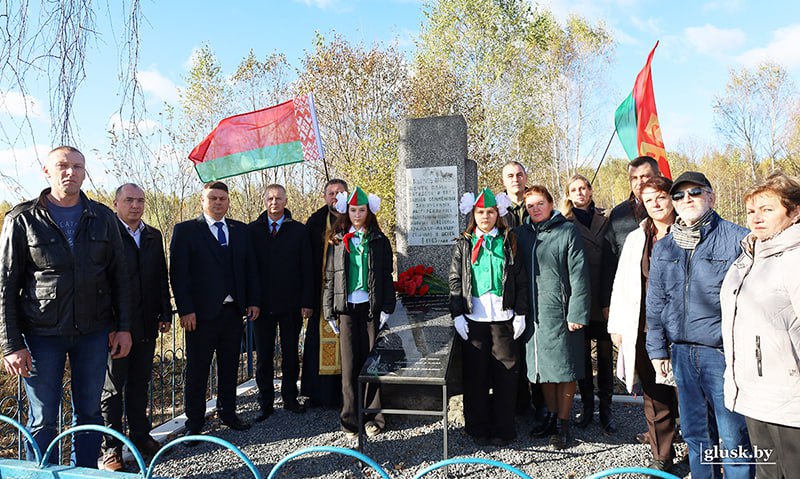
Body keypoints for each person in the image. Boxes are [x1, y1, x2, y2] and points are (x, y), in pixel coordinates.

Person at [0, 146, 132, 467]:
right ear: (47, 171)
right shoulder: (22, 220)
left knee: (89, 414)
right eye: (62, 165)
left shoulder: (102, 217)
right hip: (41, 335)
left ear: (85, 172)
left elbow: (121, 278)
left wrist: (123, 327)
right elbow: (5, 286)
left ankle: (83, 473)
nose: (70, 172)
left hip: (93, 332)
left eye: (77, 166)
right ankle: (42, 474)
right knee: (43, 418)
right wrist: (11, 344)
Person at [646, 171, 754, 478]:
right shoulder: (665, 247)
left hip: (721, 354)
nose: (686, 200)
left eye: (694, 193)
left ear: (711, 196)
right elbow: (656, 303)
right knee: (695, 433)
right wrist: (657, 351)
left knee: (733, 436)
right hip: (681, 354)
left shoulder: (738, 239)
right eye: (678, 195)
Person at [721, 172, 800, 479]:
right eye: (752, 210)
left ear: (794, 212)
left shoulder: (794, 258)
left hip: (789, 395)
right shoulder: (749, 255)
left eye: (767, 209)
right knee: (767, 474)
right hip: (755, 391)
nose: (756, 217)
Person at [169, 181, 260, 443]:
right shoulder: (186, 231)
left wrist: (253, 300)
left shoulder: (240, 230)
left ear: (228, 201)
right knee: (198, 370)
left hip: (233, 313)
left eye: (222, 198)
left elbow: (250, 268)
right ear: (202, 200)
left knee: (230, 366)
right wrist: (185, 310)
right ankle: (195, 422)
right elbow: (179, 274)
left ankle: (228, 413)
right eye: (213, 198)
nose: (218, 202)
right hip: (199, 315)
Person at [607, 176, 680, 473]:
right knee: (654, 395)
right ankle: (662, 455)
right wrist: (617, 325)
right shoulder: (638, 237)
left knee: (690, 395)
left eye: (660, 197)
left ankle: (706, 453)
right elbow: (622, 283)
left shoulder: (687, 231)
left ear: (671, 198)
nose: (655, 204)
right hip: (646, 328)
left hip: (684, 330)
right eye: (648, 200)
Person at [100, 184, 172, 470]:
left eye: (140, 200)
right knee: (112, 390)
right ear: (116, 203)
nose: (135, 205)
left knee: (140, 384)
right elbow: (102, 284)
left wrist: (165, 311)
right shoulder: (107, 235)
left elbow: (160, 277)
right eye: (129, 200)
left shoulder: (152, 235)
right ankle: (111, 448)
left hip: (146, 324)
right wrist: (109, 324)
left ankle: (140, 436)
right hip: (116, 328)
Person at [449, 188, 529, 446]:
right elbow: (455, 280)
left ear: (498, 214)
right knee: (476, 376)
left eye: (490, 212)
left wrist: (521, 313)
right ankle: (477, 426)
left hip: (503, 318)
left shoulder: (508, 240)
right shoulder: (464, 243)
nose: (485, 216)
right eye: (481, 212)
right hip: (474, 320)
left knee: (506, 373)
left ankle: (504, 427)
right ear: (474, 214)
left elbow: (520, 279)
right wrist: (457, 314)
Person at [515, 185, 590, 450]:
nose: (535, 209)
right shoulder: (521, 234)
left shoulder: (566, 231)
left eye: (539, 203)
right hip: (534, 315)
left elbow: (579, 275)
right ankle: (549, 416)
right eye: (530, 205)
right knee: (544, 369)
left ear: (550, 204)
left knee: (565, 368)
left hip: (562, 312)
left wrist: (577, 312)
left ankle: (563, 422)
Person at [322, 186, 395, 438]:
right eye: (353, 210)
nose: (356, 214)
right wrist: (329, 310)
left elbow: (386, 276)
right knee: (350, 364)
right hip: (347, 308)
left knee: (372, 363)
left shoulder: (379, 240)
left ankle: (374, 416)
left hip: (371, 308)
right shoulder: (338, 240)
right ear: (347, 211)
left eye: (361, 210)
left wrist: (387, 307)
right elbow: (330, 278)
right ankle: (350, 419)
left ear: (368, 212)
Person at [249, 184, 313, 419]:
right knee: (264, 356)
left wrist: (307, 301)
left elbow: (307, 268)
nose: (274, 202)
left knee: (289, 353)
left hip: (291, 304)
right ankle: (265, 402)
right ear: (264, 201)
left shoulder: (298, 230)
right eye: (269, 198)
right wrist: (251, 301)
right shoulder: (253, 231)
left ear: (286, 201)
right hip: (261, 306)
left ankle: (289, 398)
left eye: (278, 198)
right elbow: (249, 270)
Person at [562, 175, 616, 434]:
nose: (580, 193)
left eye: (583, 188)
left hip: (604, 295)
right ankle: (586, 407)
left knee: (605, 357)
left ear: (591, 190)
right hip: (580, 298)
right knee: (582, 358)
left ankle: (606, 410)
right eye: (574, 190)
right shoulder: (564, 221)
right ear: (569, 195)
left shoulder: (607, 218)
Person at [301, 178, 347, 408]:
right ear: (325, 196)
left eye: (340, 192)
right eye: (331, 193)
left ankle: (346, 394)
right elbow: (307, 264)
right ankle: (319, 394)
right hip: (321, 294)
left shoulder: (356, 216)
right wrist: (307, 299)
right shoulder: (315, 221)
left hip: (349, 295)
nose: (335, 197)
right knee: (319, 344)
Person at [606, 156, 659, 258]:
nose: (639, 182)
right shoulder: (618, 214)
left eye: (645, 176)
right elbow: (609, 259)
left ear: (658, 176)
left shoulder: (674, 208)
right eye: (634, 178)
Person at [500, 161, 529, 228]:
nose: (515, 179)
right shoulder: (496, 208)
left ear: (526, 178)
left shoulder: (538, 204)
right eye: (510, 176)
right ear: (503, 181)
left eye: (519, 175)